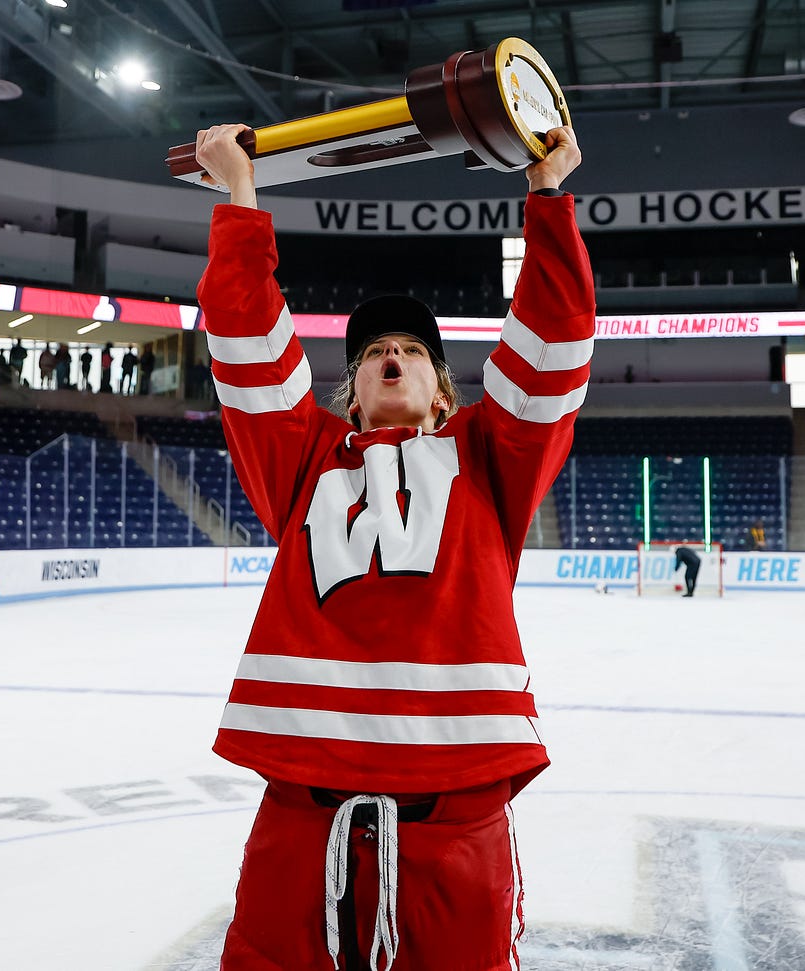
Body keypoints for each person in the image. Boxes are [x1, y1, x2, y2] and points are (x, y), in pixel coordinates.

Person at [194, 120, 592, 971]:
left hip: (455, 827)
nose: (393, 356)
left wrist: (548, 199)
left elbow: (553, 348)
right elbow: (246, 347)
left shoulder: (490, 458)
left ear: (446, 395)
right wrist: (239, 196)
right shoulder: (305, 457)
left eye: (412, 350)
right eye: (375, 349)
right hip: (303, 815)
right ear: (351, 389)